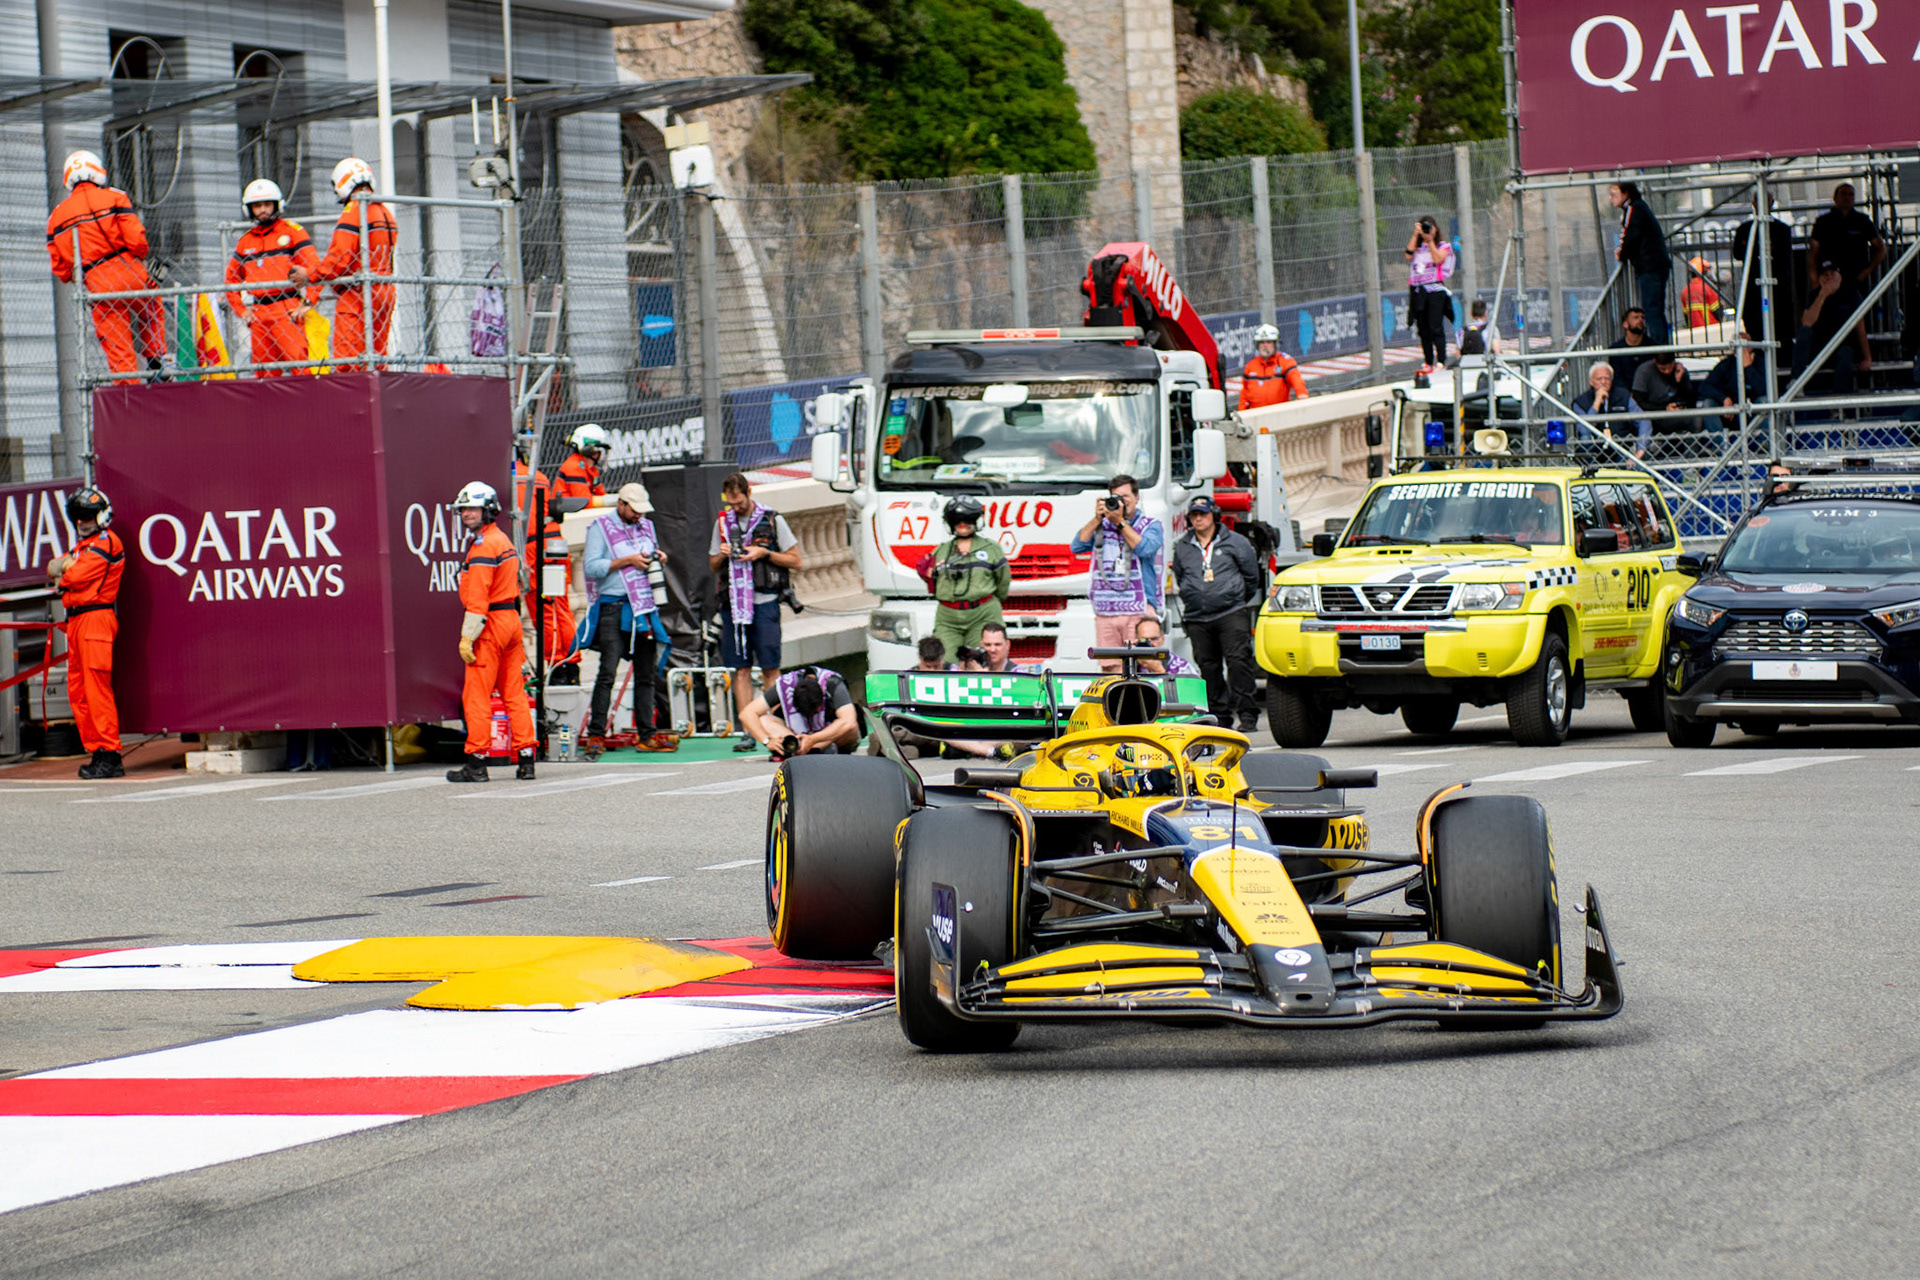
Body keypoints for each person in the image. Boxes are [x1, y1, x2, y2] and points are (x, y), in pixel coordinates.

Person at [46, 151, 165, 384]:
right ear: (96, 171)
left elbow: (61, 269)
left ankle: (128, 393)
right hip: (129, 270)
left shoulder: (57, 216)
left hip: (98, 283)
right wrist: (139, 256)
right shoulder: (115, 197)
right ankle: (156, 361)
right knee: (151, 308)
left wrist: (77, 274)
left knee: (117, 344)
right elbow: (137, 241)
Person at [446, 481, 536, 784]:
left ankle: (477, 761)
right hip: (509, 620)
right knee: (514, 692)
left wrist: (467, 636)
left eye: (472, 508)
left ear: (489, 510)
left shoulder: (485, 545)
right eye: (464, 509)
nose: (467, 514)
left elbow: (478, 598)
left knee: (477, 696)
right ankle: (526, 758)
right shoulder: (504, 541)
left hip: (489, 624)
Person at [709, 472, 804, 751]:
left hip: (764, 604)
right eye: (731, 502)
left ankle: (772, 723)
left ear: (749, 493)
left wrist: (764, 554)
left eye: (738, 502)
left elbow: (796, 560)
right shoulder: (723, 523)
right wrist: (723, 554)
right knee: (740, 669)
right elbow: (713, 564)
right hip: (734, 607)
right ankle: (748, 729)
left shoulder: (772, 519)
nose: (735, 508)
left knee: (770, 668)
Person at [581, 482, 676, 760]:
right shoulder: (601, 527)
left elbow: (652, 556)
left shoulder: (646, 525)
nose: (639, 516)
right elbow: (591, 567)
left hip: (644, 608)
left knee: (646, 674)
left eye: (641, 512)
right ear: (621, 504)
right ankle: (596, 733)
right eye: (634, 511)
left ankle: (646, 734)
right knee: (607, 672)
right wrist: (626, 561)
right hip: (614, 606)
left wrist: (659, 558)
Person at [47, 487, 124, 779]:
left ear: (100, 515)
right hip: (76, 622)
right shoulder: (82, 548)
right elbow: (53, 566)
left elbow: (73, 576)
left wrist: (65, 570)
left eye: (87, 516)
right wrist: (65, 567)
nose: (83, 522)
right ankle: (98, 751)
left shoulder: (107, 543)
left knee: (96, 689)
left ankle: (110, 753)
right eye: (78, 517)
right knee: (78, 691)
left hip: (95, 620)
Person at [1169, 495, 1261, 732]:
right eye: (1194, 515)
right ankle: (1219, 716)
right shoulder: (1182, 545)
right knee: (1208, 667)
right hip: (1197, 616)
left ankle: (1247, 714)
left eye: (1203, 514)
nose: (1198, 519)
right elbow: (1181, 575)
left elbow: (1251, 576)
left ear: (1214, 516)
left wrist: (1234, 597)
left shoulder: (1236, 542)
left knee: (1238, 662)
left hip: (1230, 612)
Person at [292, 157, 396, 365]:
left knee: (347, 357)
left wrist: (310, 276)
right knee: (377, 353)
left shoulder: (354, 211)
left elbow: (339, 257)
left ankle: (352, 395)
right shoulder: (383, 211)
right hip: (385, 287)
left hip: (357, 291)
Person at [225, 179, 321, 377]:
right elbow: (231, 279)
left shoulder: (293, 232)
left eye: (267, 204)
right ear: (249, 209)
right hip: (259, 314)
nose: (263, 210)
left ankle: (310, 405)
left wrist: (308, 302)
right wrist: (241, 310)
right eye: (257, 205)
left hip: (287, 310)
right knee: (264, 375)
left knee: (302, 369)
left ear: (277, 205)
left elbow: (313, 268)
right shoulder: (245, 242)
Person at [1072, 474, 1165, 672]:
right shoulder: (1101, 526)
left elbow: (1146, 548)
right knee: (1111, 668)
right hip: (1106, 611)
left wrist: (1121, 523)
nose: (1121, 502)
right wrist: (1097, 519)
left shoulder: (1150, 525)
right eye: (1116, 497)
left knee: (1144, 664)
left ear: (1137, 497)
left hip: (1138, 609)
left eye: (1126, 497)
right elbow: (1077, 546)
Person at [917, 496, 1010, 663]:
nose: (962, 525)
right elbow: (930, 578)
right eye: (957, 520)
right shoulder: (941, 551)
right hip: (948, 617)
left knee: (984, 661)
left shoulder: (991, 549)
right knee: (944, 662)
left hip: (983, 612)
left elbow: (1003, 582)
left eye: (968, 520)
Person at [512, 447, 576, 682]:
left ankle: (557, 664)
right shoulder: (537, 476)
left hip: (531, 548)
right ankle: (570, 662)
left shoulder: (506, 479)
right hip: (554, 544)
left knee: (544, 612)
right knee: (561, 606)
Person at [740, 666, 859, 760]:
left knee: (850, 727)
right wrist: (767, 741)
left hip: (828, 735)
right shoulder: (786, 685)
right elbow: (747, 713)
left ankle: (817, 748)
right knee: (765, 720)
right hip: (797, 734)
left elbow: (849, 722)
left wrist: (813, 739)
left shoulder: (833, 683)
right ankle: (795, 747)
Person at [1797, 260, 1872, 402]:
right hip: (1818, 351)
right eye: (1825, 275)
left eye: (1832, 274)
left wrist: (1867, 357)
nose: (1829, 278)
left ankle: (1840, 401)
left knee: (1845, 354)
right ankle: (1796, 382)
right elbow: (1807, 323)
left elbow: (1861, 327)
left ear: (1840, 276)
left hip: (1842, 349)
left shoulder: (1851, 294)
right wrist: (1823, 295)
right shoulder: (1814, 295)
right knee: (1804, 333)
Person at [1729, 204, 1797, 358]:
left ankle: (1783, 360)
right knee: (1755, 323)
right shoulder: (1746, 229)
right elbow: (1738, 254)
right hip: (1753, 288)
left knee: (1780, 325)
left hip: (1778, 289)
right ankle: (1759, 359)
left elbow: (1784, 256)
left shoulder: (1781, 229)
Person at [1611, 181, 1670, 342]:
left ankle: (1661, 350)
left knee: (1652, 310)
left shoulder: (1633, 208)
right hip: (1653, 265)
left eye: (1614, 194)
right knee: (1654, 310)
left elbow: (1631, 234)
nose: (1611, 198)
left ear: (1625, 193)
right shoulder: (1636, 208)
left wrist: (1622, 254)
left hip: (1650, 266)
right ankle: (1662, 347)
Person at [1808, 183, 1886, 291]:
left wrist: (1866, 271)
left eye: (1851, 195)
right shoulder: (1823, 222)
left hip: (1856, 278)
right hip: (1829, 277)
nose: (1847, 197)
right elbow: (1813, 252)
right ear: (1835, 198)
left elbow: (1880, 247)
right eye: (1843, 194)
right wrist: (1815, 280)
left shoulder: (1862, 221)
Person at [1404, 215, 1454, 373]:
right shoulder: (1417, 247)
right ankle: (1428, 361)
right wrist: (1416, 235)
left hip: (1434, 291)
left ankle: (1441, 360)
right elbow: (1407, 255)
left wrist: (1430, 240)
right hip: (1419, 291)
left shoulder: (1443, 246)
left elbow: (1438, 259)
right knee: (1423, 328)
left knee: (1435, 327)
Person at [1571, 362, 1651, 458]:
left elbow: (1644, 420)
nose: (1603, 382)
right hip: (1593, 453)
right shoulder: (1580, 402)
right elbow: (1585, 431)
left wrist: (1640, 450)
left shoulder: (1623, 395)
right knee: (1585, 439)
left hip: (1622, 450)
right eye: (1599, 379)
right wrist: (1596, 403)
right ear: (1591, 382)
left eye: (1607, 378)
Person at [1701, 340, 1767, 431]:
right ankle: (1720, 443)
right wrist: (1723, 398)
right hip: (1730, 413)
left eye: (1746, 345)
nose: (1742, 349)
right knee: (1708, 403)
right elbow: (1705, 387)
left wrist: (1748, 367)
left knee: (1765, 401)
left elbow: (1763, 389)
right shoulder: (1726, 364)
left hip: (1752, 412)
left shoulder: (1760, 363)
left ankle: (1763, 443)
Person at [1238, 323, 1307, 409]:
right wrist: (1241, 413)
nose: (1265, 345)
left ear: (1275, 344)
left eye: (1269, 342)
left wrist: (1302, 395)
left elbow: (1296, 380)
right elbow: (1244, 394)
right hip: (1256, 415)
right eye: (1262, 342)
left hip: (1279, 413)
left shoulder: (1284, 361)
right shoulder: (1251, 366)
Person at [555, 423, 611, 504]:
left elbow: (601, 494)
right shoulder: (574, 467)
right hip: (566, 514)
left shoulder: (591, 469)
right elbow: (584, 502)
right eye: (599, 450)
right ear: (591, 450)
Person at [1632, 351, 1695, 416]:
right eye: (1663, 368)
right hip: (1651, 413)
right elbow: (1639, 402)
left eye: (1670, 367)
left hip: (1675, 412)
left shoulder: (1680, 371)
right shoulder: (1644, 371)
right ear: (1655, 361)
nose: (1667, 371)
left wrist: (1680, 380)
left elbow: (1690, 401)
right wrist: (1665, 408)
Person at [1134, 617, 1199, 678]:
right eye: (1144, 640)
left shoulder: (1179, 666)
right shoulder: (1130, 662)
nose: (1150, 644)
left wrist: (1159, 670)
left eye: (1154, 639)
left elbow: (1189, 688)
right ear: (1136, 640)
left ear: (1162, 639)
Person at [1612, 307, 1654, 392]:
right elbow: (1616, 377)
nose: (1640, 320)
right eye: (1636, 317)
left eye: (1642, 317)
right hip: (1625, 395)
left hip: (1649, 393)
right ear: (1625, 324)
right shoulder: (1616, 350)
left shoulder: (1653, 347)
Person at [1679, 257, 1721, 329]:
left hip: (1694, 331)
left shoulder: (1685, 291)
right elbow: (1718, 313)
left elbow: (1686, 316)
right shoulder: (1708, 288)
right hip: (1711, 329)